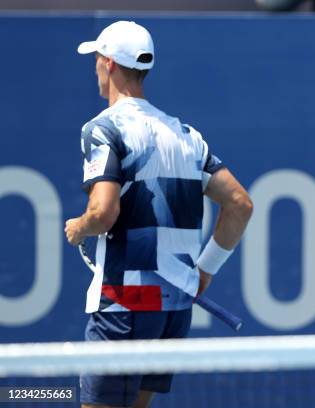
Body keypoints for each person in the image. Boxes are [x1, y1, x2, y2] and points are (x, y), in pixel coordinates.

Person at [64, 21, 253, 408]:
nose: (96, 68)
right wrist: (203, 272)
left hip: (124, 301)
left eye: (98, 60)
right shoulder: (186, 135)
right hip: (172, 309)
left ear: (109, 64)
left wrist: (80, 227)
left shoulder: (102, 130)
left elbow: (103, 212)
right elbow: (239, 204)